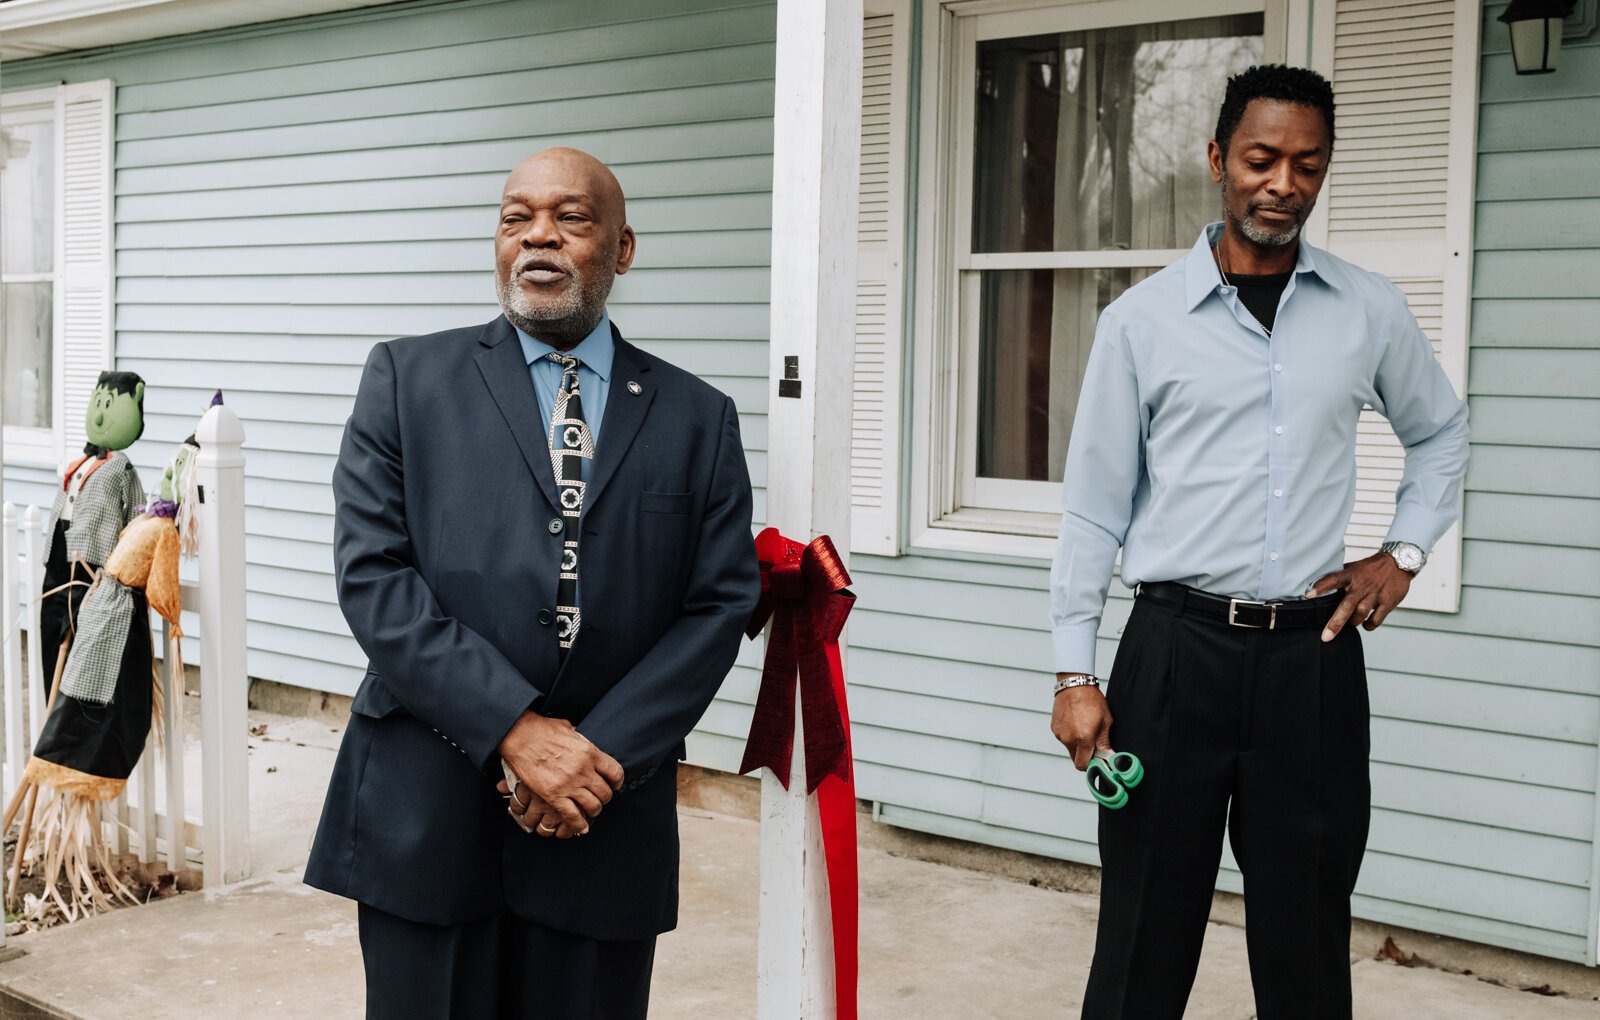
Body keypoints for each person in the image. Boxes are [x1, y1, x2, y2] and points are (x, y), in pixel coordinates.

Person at [1048, 66, 1469, 1019]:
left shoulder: (1368, 310)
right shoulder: (1139, 324)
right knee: (1143, 939)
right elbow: (1093, 510)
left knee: (1308, 936)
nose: (1283, 182)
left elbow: (1441, 433)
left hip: (1311, 665)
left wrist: (1400, 555)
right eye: (1262, 158)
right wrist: (1072, 675)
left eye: (1307, 163)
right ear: (1217, 163)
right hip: (1171, 657)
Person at [305, 148, 760, 1019]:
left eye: (572, 218)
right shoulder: (406, 379)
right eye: (516, 218)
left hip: (602, 816)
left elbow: (718, 604)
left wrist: (598, 759)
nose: (538, 237)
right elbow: (374, 577)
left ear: (623, 249)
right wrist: (514, 729)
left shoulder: (699, 416)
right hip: (426, 812)